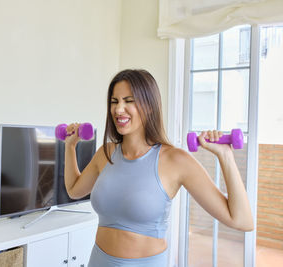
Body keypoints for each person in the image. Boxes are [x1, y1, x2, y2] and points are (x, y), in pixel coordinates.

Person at [63, 69, 253, 267]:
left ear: (150, 106)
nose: (118, 109)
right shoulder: (106, 153)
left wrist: (226, 156)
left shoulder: (176, 160)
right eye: (114, 101)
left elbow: (241, 220)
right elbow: (74, 190)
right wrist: (70, 146)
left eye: (129, 101)